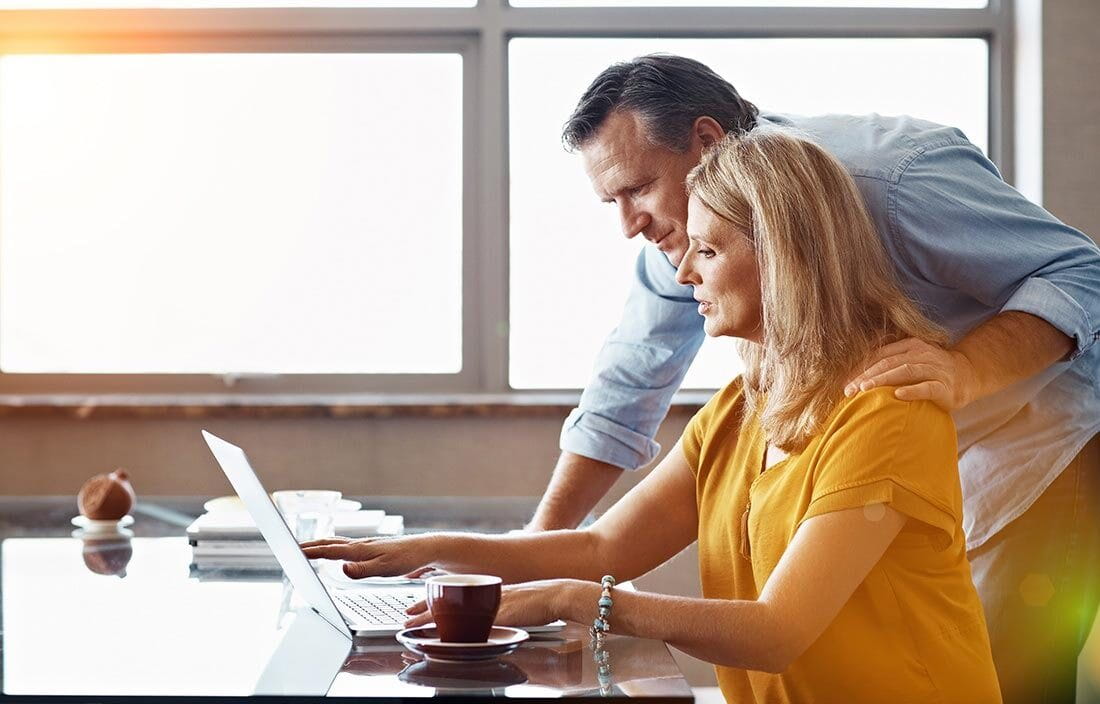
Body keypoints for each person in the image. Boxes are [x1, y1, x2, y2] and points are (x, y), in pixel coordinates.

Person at [304, 128, 1002, 704]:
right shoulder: (741, 409)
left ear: (787, 257)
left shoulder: (889, 416)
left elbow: (778, 631)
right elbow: (603, 549)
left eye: (708, 249)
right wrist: (431, 549)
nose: (682, 275)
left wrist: (573, 601)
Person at [525, 54, 1100, 703]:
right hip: (896, 436)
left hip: (1033, 437)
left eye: (636, 189)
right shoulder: (686, 234)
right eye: (611, 201)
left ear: (707, 142)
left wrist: (964, 370)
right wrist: (535, 565)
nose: (629, 223)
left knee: (1007, 670)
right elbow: (624, 392)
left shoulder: (893, 179)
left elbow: (1083, 277)